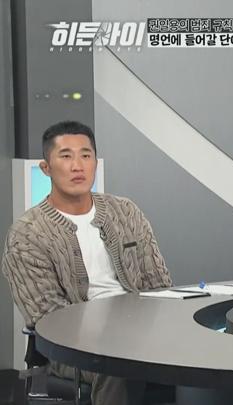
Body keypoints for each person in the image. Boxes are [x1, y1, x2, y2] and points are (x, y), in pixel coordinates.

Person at [1, 121, 173, 405]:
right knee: (119, 363)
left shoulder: (125, 212)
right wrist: (114, 332)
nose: (77, 166)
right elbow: (48, 318)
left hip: (140, 333)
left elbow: (159, 287)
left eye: (85, 155)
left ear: (95, 162)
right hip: (73, 348)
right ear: (46, 168)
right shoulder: (27, 234)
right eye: (66, 156)